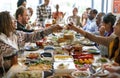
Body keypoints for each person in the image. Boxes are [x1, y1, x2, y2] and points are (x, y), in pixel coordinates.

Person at [0, 11, 62, 76]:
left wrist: (51, 29)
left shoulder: (17, 34)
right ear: (5, 23)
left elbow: (34, 36)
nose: (15, 21)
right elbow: (11, 55)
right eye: (12, 19)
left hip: (20, 69)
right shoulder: (1, 42)